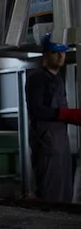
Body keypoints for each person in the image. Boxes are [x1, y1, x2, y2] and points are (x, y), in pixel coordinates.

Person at [24, 34, 81, 202]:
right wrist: (67, 114)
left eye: (62, 52)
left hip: (61, 144)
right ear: (45, 54)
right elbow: (37, 110)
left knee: (64, 191)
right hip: (47, 145)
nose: (60, 56)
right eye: (55, 52)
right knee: (50, 193)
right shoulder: (37, 79)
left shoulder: (57, 80)